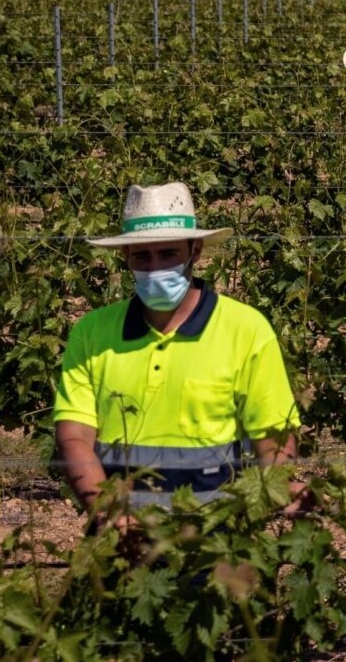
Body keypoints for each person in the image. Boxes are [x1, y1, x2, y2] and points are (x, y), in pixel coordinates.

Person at [53, 182, 307, 539]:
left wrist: (277, 488)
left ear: (196, 250)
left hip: (218, 540)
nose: (155, 268)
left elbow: (273, 435)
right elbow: (74, 436)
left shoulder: (245, 329)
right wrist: (108, 511)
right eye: (142, 256)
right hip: (122, 539)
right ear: (125, 257)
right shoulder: (92, 333)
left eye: (168, 254)